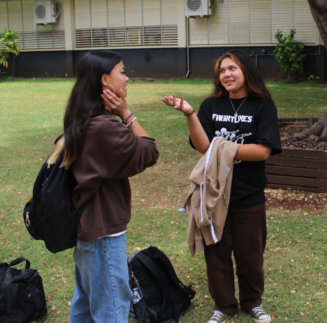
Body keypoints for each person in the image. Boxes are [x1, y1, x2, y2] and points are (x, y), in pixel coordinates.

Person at [162, 50, 282, 323]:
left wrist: (223, 148)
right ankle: (224, 306)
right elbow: (204, 148)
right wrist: (190, 113)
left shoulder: (262, 106)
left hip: (248, 195)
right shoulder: (211, 105)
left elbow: (262, 151)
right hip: (213, 194)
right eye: (221, 70)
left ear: (246, 71)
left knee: (250, 256)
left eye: (232, 68)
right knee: (216, 254)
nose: (226, 74)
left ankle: (252, 302)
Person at [53, 51, 159, 322]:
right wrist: (127, 114)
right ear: (104, 79)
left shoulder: (81, 116)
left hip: (87, 230)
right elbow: (148, 152)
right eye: (122, 72)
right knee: (111, 308)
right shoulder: (102, 127)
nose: (127, 78)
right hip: (102, 235)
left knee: (85, 305)